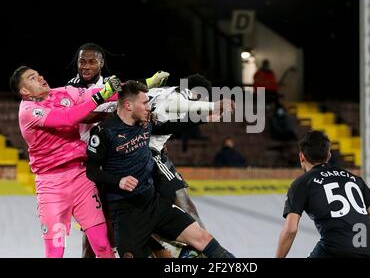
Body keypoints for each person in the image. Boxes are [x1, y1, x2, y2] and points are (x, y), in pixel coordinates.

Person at [86, 81, 235, 258]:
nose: (149, 107)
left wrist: (204, 118)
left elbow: (169, 126)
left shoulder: (145, 122)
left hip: (153, 205)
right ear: (128, 105)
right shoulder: (104, 132)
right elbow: (92, 171)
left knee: (203, 238)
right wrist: (118, 181)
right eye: (144, 103)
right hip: (126, 214)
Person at [67, 42, 170, 257]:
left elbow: (134, 100)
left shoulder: (114, 85)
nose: (85, 66)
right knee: (94, 226)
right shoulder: (71, 87)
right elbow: (75, 116)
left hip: (122, 155)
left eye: (91, 62)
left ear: (102, 63)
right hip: (93, 161)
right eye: (81, 62)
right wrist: (110, 114)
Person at [9, 65, 121, 258]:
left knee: (103, 245)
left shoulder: (63, 93)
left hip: (81, 179)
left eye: (39, 74)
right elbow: (69, 118)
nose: (40, 77)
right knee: (55, 252)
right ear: (24, 91)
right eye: (32, 78)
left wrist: (143, 86)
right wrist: (101, 96)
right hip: (52, 187)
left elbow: (102, 93)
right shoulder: (28, 111)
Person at [275, 130, 370, 258]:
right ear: (329, 155)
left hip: (336, 249)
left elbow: (290, 230)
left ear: (301, 156)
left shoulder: (302, 183)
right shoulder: (354, 179)